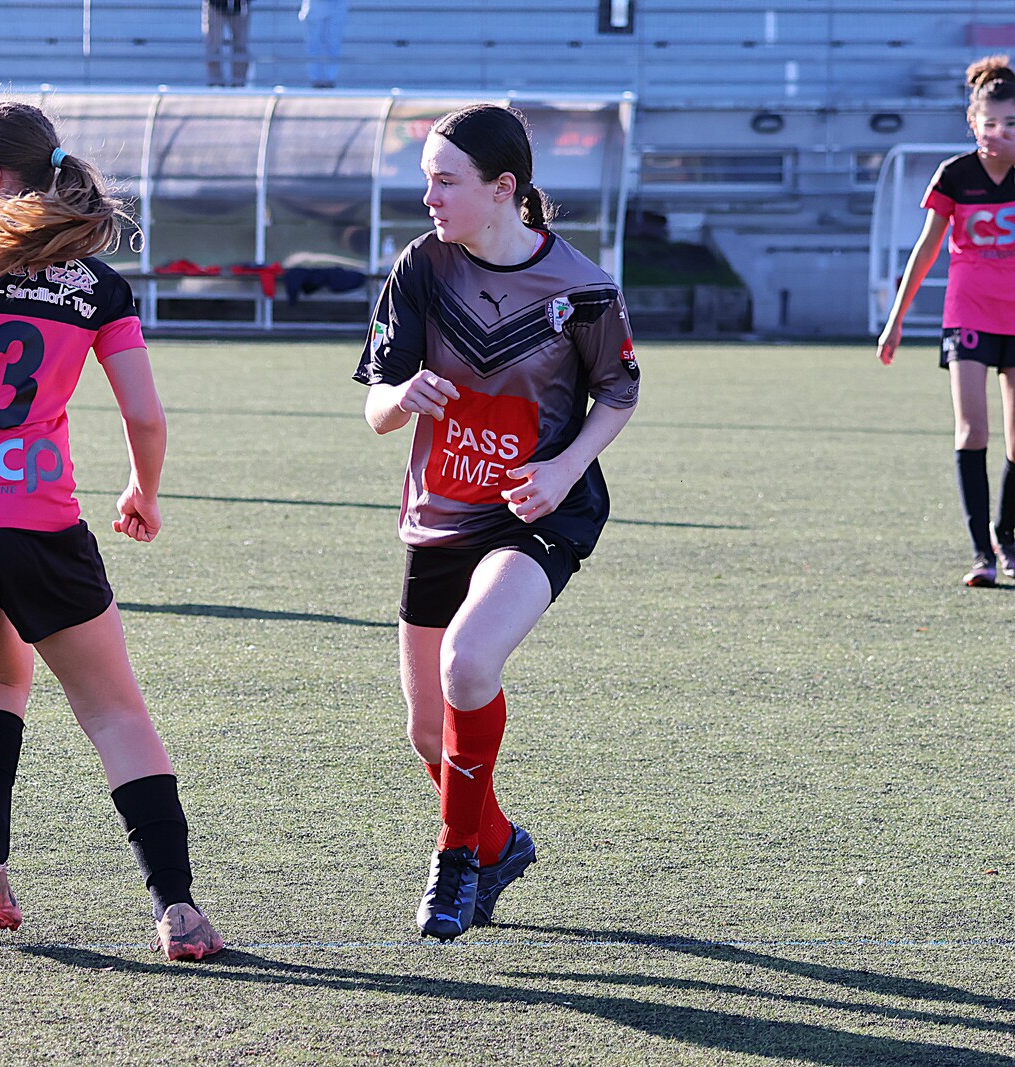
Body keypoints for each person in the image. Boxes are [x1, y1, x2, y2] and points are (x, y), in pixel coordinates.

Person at [0, 99, 225, 962]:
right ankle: (177, 910)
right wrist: (142, 489)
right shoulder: (96, 285)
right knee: (114, 711)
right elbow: (146, 414)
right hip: (34, 521)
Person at [352, 104, 639, 940]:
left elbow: (619, 392)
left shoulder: (582, 287)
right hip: (439, 511)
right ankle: (499, 842)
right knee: (427, 734)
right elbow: (376, 407)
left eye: (446, 181)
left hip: (534, 512)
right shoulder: (421, 266)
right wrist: (402, 396)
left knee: (469, 660)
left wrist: (564, 467)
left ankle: (455, 860)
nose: (429, 198)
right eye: (427, 180)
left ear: (504, 188)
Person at [877, 55, 1015, 587]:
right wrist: (896, 319)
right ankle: (982, 555)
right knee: (973, 430)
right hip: (969, 314)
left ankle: (1007, 537)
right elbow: (926, 250)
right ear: (973, 123)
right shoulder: (955, 176)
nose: (999, 132)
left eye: (1011, 123)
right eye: (990, 122)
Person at [299, 0, 348, 88]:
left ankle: (330, 79)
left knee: (334, 42)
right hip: (316, 4)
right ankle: (316, 79)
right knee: (314, 43)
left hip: (336, 4)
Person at [203, 0, 251, 87]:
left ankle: (238, 84)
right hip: (215, 6)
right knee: (213, 46)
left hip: (240, 7)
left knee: (240, 46)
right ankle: (215, 83)